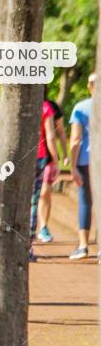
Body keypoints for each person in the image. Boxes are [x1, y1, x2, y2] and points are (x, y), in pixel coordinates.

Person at [37, 90, 69, 243]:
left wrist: (64, 154)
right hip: (31, 157)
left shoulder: (52, 107)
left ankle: (43, 226)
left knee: (45, 192)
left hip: (46, 158)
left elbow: (60, 132)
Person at [69, 72, 95, 260]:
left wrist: (72, 165)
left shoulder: (81, 108)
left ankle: (84, 246)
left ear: (89, 87)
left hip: (86, 160)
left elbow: (76, 140)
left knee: (86, 201)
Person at [30, 97, 58, 260]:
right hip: (39, 156)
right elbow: (50, 135)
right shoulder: (45, 106)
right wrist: (55, 160)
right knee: (33, 201)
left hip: (16, 158)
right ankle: (28, 246)